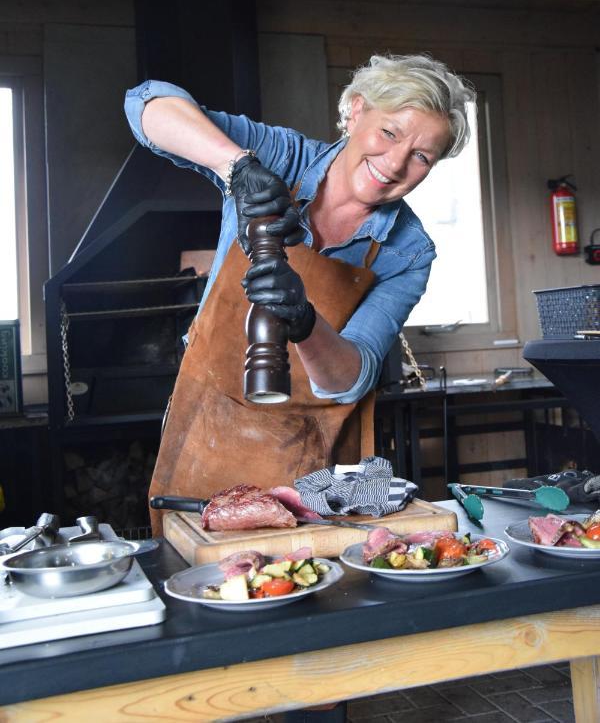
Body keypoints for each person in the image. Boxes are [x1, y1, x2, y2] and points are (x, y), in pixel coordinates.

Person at [124, 54, 474, 535]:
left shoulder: (408, 252)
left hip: (324, 460)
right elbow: (145, 105)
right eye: (389, 134)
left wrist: (305, 323)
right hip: (208, 428)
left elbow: (352, 378)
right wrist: (238, 167)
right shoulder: (281, 156)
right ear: (354, 112)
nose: (395, 165)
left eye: (421, 157)